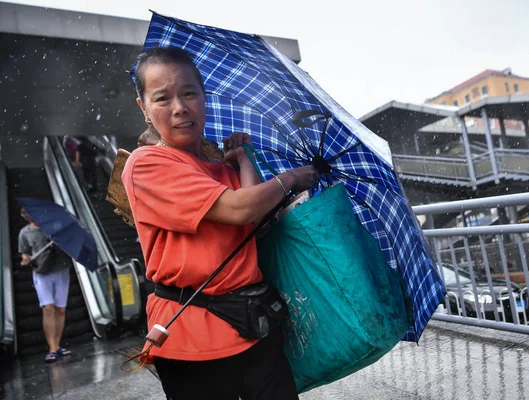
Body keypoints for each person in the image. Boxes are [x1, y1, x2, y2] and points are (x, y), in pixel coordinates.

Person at [121, 47, 318, 399]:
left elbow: (255, 217)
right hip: (191, 338)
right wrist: (289, 179)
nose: (180, 108)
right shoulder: (146, 164)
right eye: (162, 98)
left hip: (255, 325)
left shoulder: (219, 169)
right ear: (144, 109)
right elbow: (238, 208)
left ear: (204, 96)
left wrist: (242, 159)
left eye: (189, 93)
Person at [18, 208, 72, 364]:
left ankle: (58, 345)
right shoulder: (25, 233)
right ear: (26, 217)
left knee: (60, 309)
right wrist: (25, 259)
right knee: (48, 308)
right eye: (28, 215)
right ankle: (52, 348)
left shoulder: (54, 227)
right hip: (41, 273)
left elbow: (67, 244)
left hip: (61, 269)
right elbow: (24, 255)